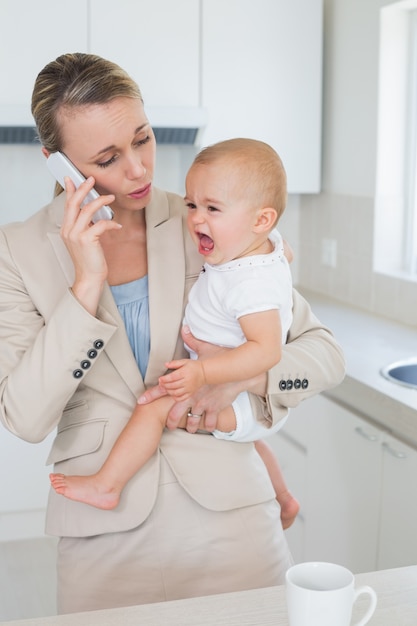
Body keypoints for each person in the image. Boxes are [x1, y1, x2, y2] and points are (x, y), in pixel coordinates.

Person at [0, 53, 345, 614]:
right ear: (56, 164)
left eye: (143, 139)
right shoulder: (16, 252)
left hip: (232, 518)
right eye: (109, 158)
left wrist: (234, 377)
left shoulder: (206, 219)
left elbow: (323, 354)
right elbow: (25, 416)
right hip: (100, 531)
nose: (139, 169)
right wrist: (86, 283)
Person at [49, 138, 300, 530]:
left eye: (213, 209)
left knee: (153, 407)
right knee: (251, 440)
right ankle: (284, 498)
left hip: (240, 395)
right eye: (191, 205)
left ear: (261, 220)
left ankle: (107, 485)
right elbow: (284, 255)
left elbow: (267, 351)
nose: (197, 219)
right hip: (243, 403)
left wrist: (203, 374)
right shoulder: (257, 248)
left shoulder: (252, 283)